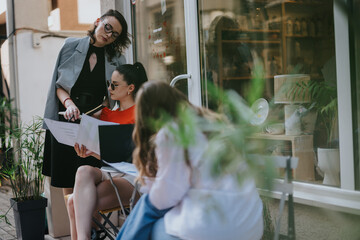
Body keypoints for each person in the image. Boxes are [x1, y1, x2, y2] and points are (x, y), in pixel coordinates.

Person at [117, 81, 264, 240]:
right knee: (151, 206)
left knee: (151, 216)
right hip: (249, 224)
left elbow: (167, 195)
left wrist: (151, 186)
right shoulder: (211, 122)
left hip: (216, 228)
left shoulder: (172, 132)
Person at [42, 9, 131, 196]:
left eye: (115, 34)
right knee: (68, 178)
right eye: (107, 28)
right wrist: (69, 105)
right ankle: (76, 225)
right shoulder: (70, 46)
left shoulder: (117, 59)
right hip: (66, 116)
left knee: (92, 176)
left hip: (94, 122)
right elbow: (59, 86)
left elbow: (114, 96)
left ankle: (91, 225)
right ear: (98, 21)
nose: (109, 35)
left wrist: (101, 113)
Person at [67, 62, 147, 240]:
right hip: (109, 171)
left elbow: (138, 156)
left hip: (132, 175)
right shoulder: (105, 114)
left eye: (114, 85)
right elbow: (106, 153)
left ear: (130, 88)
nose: (109, 88)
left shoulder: (142, 114)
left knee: (74, 202)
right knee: (83, 170)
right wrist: (88, 152)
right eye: (109, 84)